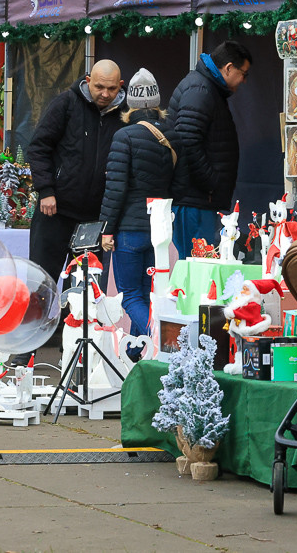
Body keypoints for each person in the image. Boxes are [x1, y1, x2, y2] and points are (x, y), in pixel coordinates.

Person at [99, 69, 179, 357]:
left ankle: (160, 340)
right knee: (148, 295)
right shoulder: (172, 135)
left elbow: (115, 188)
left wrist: (106, 229)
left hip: (129, 229)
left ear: (130, 104)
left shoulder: (124, 137)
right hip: (160, 229)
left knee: (131, 295)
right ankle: (135, 357)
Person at [28, 59, 126, 287]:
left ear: (120, 85)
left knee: (83, 291)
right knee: (41, 284)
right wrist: (46, 190)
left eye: (112, 89)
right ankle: (37, 324)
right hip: (55, 212)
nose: (104, 94)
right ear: (88, 80)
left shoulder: (125, 113)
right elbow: (38, 147)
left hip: (93, 219)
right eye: (99, 87)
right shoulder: (66, 103)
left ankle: (68, 325)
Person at [167, 40, 252, 257]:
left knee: (199, 264)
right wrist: (211, 183)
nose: (243, 80)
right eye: (243, 73)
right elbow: (187, 141)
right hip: (194, 199)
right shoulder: (201, 90)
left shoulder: (205, 87)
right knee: (195, 267)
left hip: (198, 198)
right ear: (229, 68)